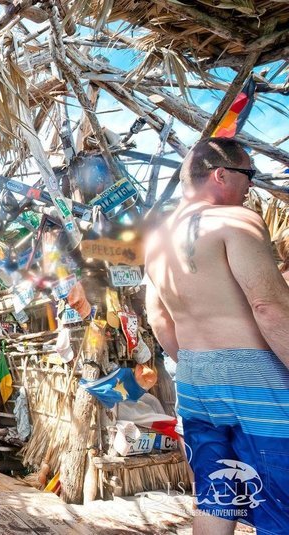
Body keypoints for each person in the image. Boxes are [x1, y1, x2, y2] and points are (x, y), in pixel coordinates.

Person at [145, 137, 289, 535]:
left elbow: (157, 318)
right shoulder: (236, 221)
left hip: (193, 379)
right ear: (220, 174)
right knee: (281, 504)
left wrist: (198, 359)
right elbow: (269, 305)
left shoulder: (156, 240)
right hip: (255, 376)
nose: (251, 186)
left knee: (216, 497)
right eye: (249, 175)